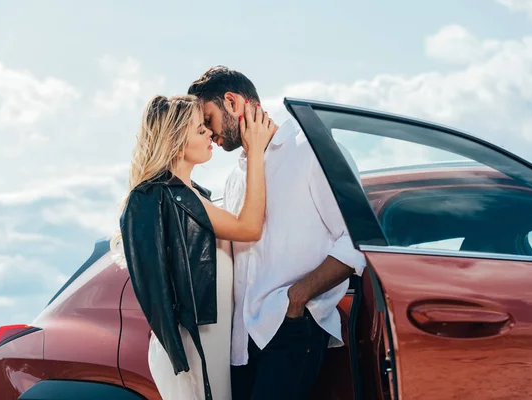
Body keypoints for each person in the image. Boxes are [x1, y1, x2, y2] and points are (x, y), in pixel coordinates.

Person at [188, 66, 367, 400]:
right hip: (240, 344)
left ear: (232, 102)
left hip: (291, 329)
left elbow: (357, 239)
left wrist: (297, 298)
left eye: (208, 120)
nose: (208, 134)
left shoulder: (314, 152)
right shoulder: (235, 177)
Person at [111, 94, 276, 400]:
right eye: (201, 131)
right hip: (195, 346)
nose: (211, 135)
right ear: (176, 143)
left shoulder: (188, 198)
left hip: (209, 343)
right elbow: (249, 227)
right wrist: (255, 153)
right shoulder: (168, 197)